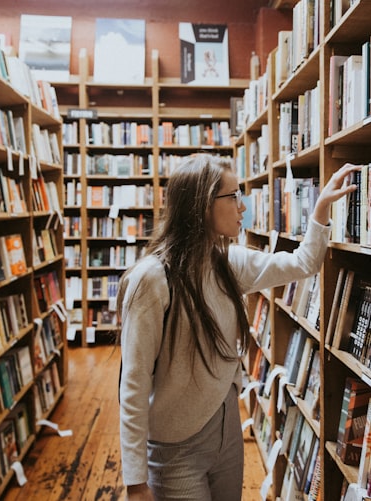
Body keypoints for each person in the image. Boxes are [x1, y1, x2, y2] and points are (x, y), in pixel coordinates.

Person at [117, 153, 360, 501]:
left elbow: (303, 262)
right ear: (203, 206)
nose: (243, 206)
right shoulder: (152, 280)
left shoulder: (230, 262)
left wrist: (320, 209)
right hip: (175, 449)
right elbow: (134, 382)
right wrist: (135, 482)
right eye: (233, 196)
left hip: (227, 430)